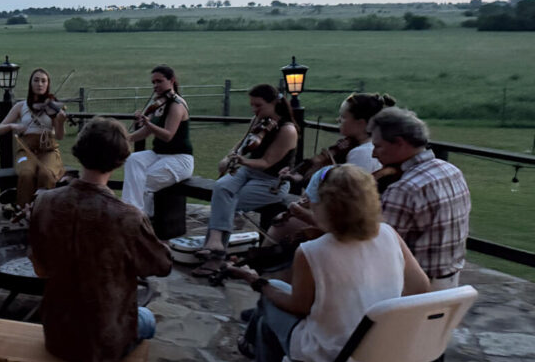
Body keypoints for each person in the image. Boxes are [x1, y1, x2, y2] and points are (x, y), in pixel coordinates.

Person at [227, 165, 430, 362]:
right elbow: (420, 288)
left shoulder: (312, 252)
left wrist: (256, 281)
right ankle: (251, 345)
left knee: (268, 313)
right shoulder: (389, 235)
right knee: (270, 310)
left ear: (326, 205)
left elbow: (298, 307)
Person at [30, 117, 173, 362]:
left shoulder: (45, 202)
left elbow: (40, 268)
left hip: (56, 332)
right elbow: (161, 265)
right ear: (120, 159)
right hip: (102, 342)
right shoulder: (128, 217)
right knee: (147, 319)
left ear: (80, 151)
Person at [268, 92, 396, 245]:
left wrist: (305, 212)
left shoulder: (362, 154)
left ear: (361, 124)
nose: (338, 120)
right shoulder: (357, 147)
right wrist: (302, 179)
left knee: (280, 225)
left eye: (343, 117)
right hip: (334, 214)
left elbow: (346, 201)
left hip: (344, 224)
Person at [196, 84, 299, 273]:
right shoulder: (258, 120)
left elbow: (266, 162)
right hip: (248, 171)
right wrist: (229, 157)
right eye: (252, 105)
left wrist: (243, 161)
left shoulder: (288, 130)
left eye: (258, 105)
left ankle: (216, 254)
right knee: (221, 187)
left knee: (228, 200)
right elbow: (241, 144)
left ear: (274, 103)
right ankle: (215, 243)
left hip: (271, 182)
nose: (254, 110)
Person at [369, 107, 471, 290]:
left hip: (415, 288)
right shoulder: (452, 171)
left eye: (378, 146)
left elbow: (380, 250)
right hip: (451, 284)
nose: (373, 154)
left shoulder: (403, 189)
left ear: (399, 143)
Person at [121, 65, 194, 216]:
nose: (155, 86)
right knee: (132, 160)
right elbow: (146, 132)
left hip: (179, 159)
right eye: (153, 82)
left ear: (172, 81)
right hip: (159, 154)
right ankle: (131, 212)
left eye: (159, 81)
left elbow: (168, 135)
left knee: (143, 181)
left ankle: (138, 217)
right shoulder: (160, 104)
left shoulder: (176, 105)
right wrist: (125, 138)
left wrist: (148, 123)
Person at [0, 68, 66, 207]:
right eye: (36, 80)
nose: (40, 84)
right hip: (26, 151)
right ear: (30, 83)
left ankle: (42, 209)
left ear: (48, 84)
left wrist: (61, 122)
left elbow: (59, 136)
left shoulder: (53, 107)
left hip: (48, 150)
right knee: (26, 174)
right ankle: (23, 209)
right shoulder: (21, 106)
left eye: (43, 81)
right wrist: (13, 126)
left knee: (46, 174)